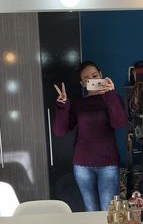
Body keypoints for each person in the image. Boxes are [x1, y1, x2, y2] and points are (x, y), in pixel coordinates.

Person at [53, 61, 128, 212]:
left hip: (108, 164)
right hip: (82, 166)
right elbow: (60, 131)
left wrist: (110, 95)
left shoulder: (113, 98)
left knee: (110, 211)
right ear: (82, 83)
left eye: (94, 75)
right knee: (91, 210)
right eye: (87, 79)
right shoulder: (79, 104)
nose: (92, 80)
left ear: (101, 74)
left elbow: (120, 123)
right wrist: (63, 106)